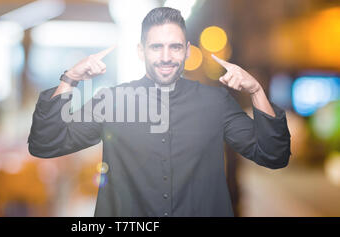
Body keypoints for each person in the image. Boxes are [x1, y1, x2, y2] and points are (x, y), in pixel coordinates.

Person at [28, 7, 291, 217]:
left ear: (187, 51)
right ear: (141, 52)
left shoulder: (215, 102)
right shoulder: (113, 101)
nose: (166, 56)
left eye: (175, 47)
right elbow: (46, 143)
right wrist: (70, 79)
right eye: (156, 47)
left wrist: (256, 90)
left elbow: (273, 155)